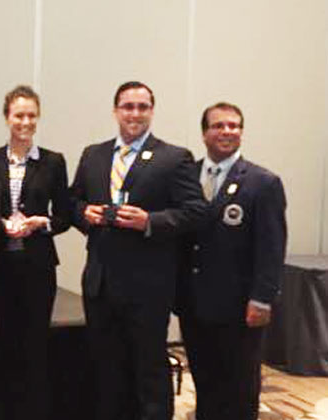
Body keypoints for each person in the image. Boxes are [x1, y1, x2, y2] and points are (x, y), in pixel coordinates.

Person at [69, 81, 207, 420]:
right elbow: (72, 200)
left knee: (149, 374)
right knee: (107, 373)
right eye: (128, 106)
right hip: (100, 286)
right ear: (115, 110)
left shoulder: (174, 158)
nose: (134, 113)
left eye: (142, 107)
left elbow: (197, 212)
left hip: (147, 288)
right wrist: (83, 214)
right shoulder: (94, 155)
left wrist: (149, 221)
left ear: (152, 111)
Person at [176, 102, 287, 420]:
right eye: (219, 125)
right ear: (204, 133)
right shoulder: (186, 176)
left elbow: (272, 246)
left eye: (234, 126)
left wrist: (262, 298)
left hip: (240, 307)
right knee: (205, 382)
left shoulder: (262, 182)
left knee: (239, 387)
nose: (227, 131)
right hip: (194, 303)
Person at [0, 85, 70, 419]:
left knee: (34, 346)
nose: (25, 121)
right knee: (1, 343)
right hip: (0, 265)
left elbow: (65, 216)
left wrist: (39, 223)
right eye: (19, 115)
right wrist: (0, 223)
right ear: (7, 118)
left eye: (31, 115)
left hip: (36, 267)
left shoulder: (53, 162)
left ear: (38, 118)